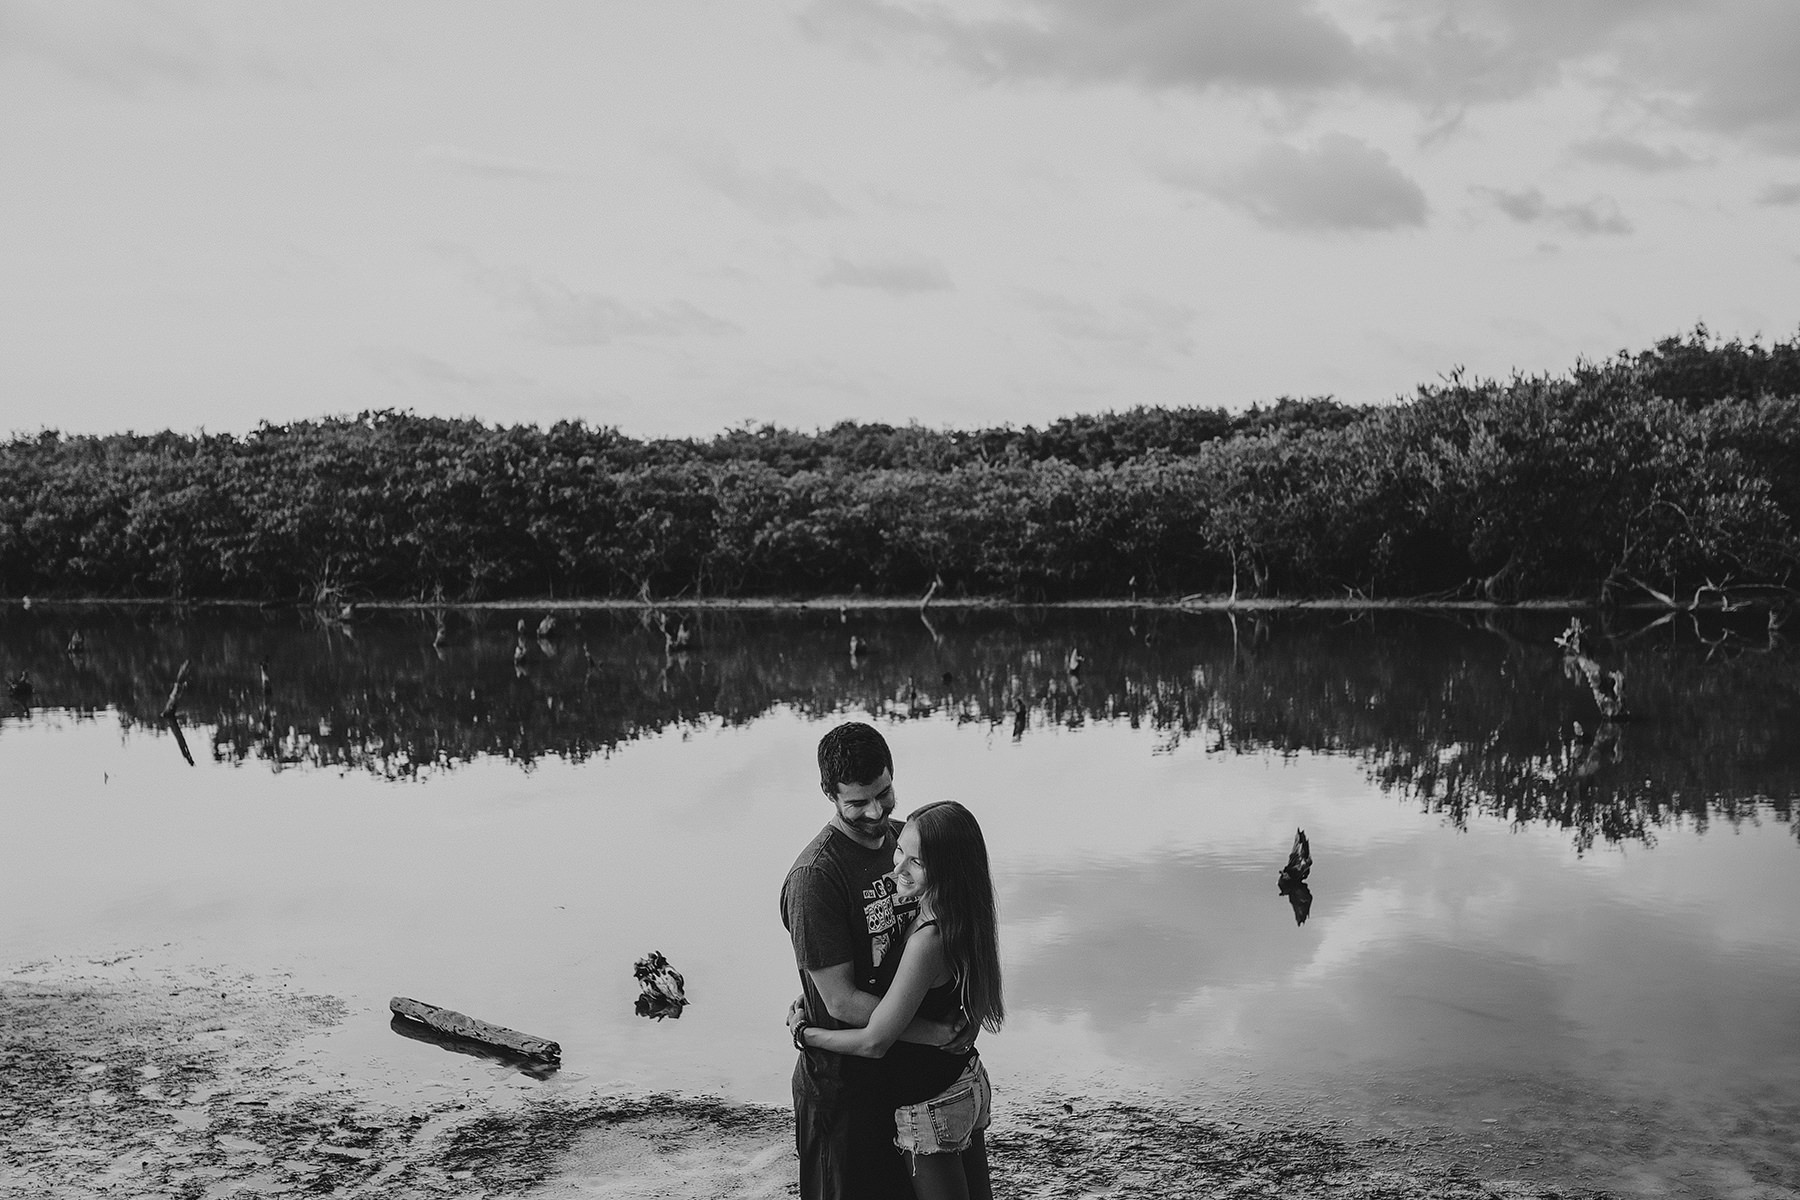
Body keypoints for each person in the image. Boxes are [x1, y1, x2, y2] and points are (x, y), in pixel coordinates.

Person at [782, 723, 976, 1200]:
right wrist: (935, 1035)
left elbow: (953, 934)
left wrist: (964, 1015)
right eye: (857, 802)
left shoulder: (907, 841)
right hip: (845, 1093)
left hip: (915, 1086)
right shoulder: (816, 878)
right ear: (829, 793)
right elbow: (843, 1001)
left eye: (884, 793)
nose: (875, 812)